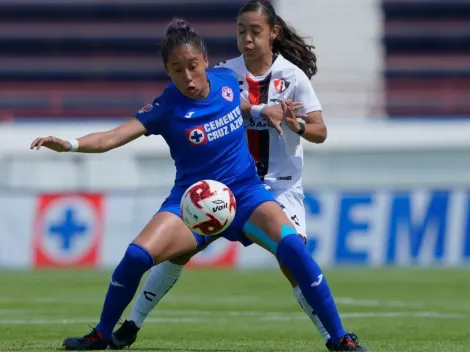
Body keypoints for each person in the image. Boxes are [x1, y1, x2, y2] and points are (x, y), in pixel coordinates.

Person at [31, 17, 367, 352]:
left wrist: (266, 112)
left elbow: (242, 105)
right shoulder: (166, 106)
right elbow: (109, 137)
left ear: (205, 61)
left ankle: (339, 340)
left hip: (247, 195)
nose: (188, 77)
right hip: (191, 204)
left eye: (193, 66)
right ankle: (102, 334)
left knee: (294, 248)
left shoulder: (225, 80)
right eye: (177, 70)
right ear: (168, 71)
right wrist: (70, 144)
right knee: (136, 256)